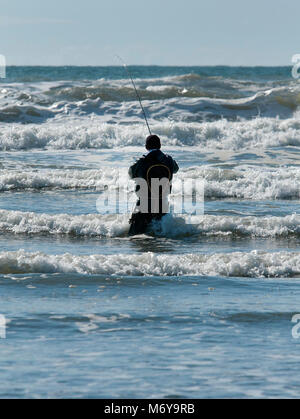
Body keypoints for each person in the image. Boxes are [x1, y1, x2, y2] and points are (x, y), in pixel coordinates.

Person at [128, 134, 179, 235]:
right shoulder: (168, 160)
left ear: (146, 147)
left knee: (134, 237)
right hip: (162, 205)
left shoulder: (142, 161)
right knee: (161, 237)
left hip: (144, 205)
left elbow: (131, 173)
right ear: (160, 146)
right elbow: (176, 169)